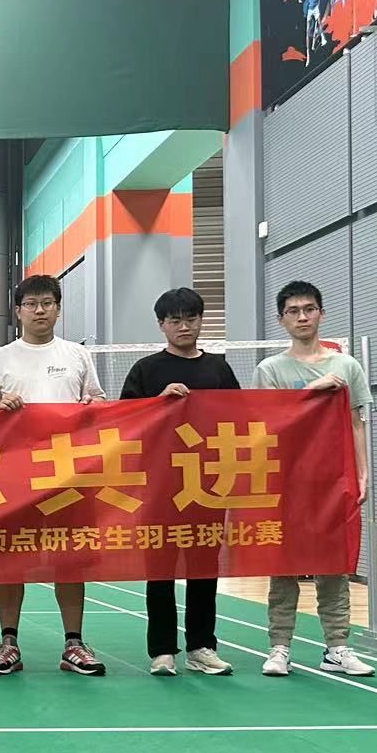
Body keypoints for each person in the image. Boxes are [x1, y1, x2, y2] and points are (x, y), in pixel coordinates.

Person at [0, 274, 107, 677]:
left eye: (47, 303)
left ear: (58, 309)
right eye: (31, 304)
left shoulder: (77, 355)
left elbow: (98, 403)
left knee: (70, 559)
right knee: (9, 559)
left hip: (68, 477)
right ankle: (8, 643)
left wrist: (92, 405)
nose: (39, 310)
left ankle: (74, 643)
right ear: (18, 311)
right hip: (13, 479)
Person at [255, 281, 376, 678]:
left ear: (321, 314)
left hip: (333, 482)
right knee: (283, 565)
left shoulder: (347, 366)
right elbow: (270, 424)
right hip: (287, 482)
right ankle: (279, 648)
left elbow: (356, 424)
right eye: (293, 311)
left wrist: (363, 473)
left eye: (309, 309)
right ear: (281, 319)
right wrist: (312, 389)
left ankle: (337, 647)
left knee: (333, 566)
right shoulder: (270, 370)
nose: (302, 317)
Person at [118, 288, 240, 678]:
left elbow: (240, 419)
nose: (184, 326)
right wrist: (158, 401)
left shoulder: (219, 369)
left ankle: (202, 646)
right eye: (175, 320)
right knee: (160, 568)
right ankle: (162, 650)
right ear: (161, 325)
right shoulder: (145, 370)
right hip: (159, 486)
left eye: (191, 318)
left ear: (201, 321)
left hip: (207, 484)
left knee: (204, 568)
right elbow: (123, 423)